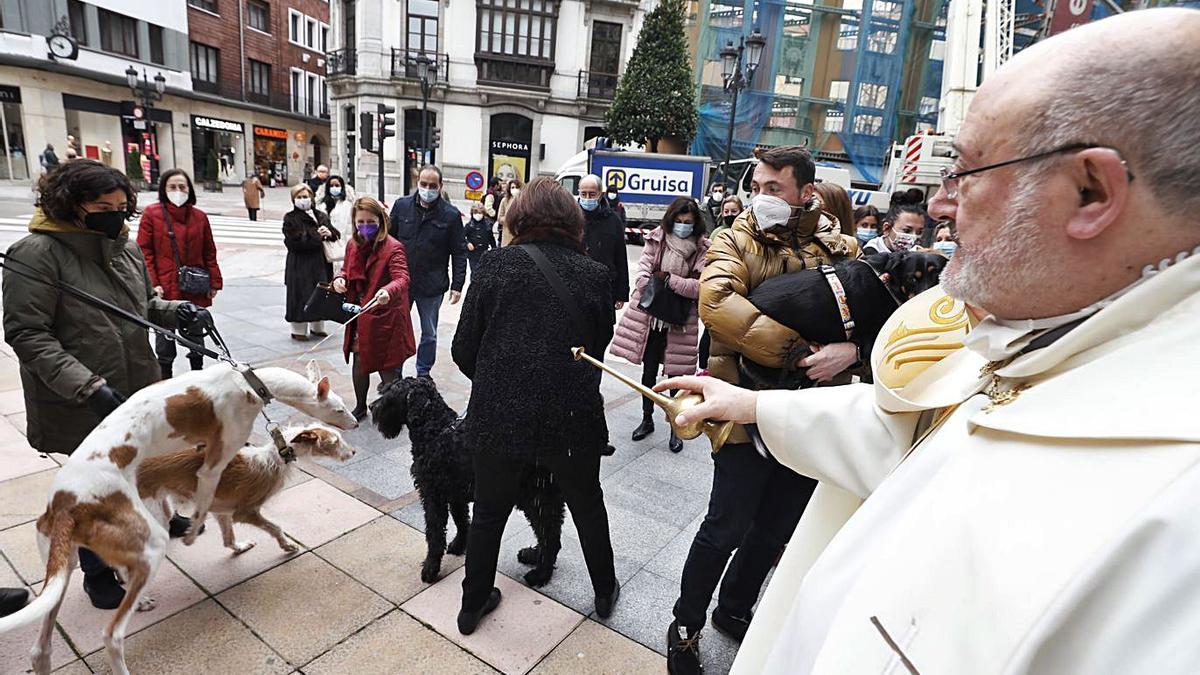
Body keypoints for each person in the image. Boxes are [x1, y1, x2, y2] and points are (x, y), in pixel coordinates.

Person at [655, 9, 1200, 673]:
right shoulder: (1050, 330)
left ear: (1090, 192)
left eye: (967, 171)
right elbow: (920, 435)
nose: (941, 206)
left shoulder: (1176, 513)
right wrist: (751, 404)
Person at [666, 146, 863, 673]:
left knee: (776, 528)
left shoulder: (841, 247)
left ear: (807, 193)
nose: (762, 197)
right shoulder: (735, 238)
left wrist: (854, 351)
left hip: (810, 418)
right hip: (741, 409)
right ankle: (685, 624)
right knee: (725, 527)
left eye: (775, 188)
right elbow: (719, 304)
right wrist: (800, 353)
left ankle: (734, 609)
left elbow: (868, 313)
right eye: (759, 186)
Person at [1, 160, 204, 609]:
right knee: (93, 485)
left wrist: (176, 311)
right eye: (102, 206)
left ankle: (157, 517)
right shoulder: (35, 255)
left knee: (143, 463)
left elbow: (143, 304)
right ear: (72, 206)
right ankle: (95, 572)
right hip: (77, 396)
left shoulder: (123, 248)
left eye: (120, 206)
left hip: (135, 381)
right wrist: (87, 387)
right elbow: (27, 333)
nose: (114, 215)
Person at [451, 176, 619, 635]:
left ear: (517, 217)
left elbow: (464, 349)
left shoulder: (494, 266)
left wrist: (503, 379)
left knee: (488, 512)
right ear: (573, 220)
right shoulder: (595, 274)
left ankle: (472, 604)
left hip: (500, 416)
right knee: (587, 503)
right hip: (571, 414)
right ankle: (604, 590)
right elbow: (598, 343)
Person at [609, 197, 709, 453]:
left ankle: (677, 425)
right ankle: (646, 419)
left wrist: (668, 280)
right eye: (679, 221)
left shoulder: (703, 248)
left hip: (680, 321)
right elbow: (643, 275)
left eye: (688, 222)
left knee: (677, 376)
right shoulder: (657, 239)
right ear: (671, 219)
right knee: (649, 372)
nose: (683, 226)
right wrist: (657, 281)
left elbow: (700, 287)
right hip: (650, 319)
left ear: (695, 223)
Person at [331, 197, 415, 420]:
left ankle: (396, 412)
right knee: (359, 361)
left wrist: (388, 291)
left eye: (370, 221)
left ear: (380, 220)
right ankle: (360, 406)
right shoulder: (352, 244)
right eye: (361, 222)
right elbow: (345, 271)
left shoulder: (393, 247)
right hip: (359, 313)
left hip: (383, 315)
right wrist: (339, 279)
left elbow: (402, 278)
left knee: (387, 368)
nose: (365, 227)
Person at [136, 168, 223, 378]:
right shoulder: (152, 214)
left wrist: (214, 282)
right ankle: (165, 375)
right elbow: (144, 252)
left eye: (182, 187)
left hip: (194, 284)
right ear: (163, 189)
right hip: (164, 286)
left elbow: (209, 250)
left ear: (189, 189)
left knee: (196, 330)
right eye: (172, 187)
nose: (178, 191)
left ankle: (197, 373)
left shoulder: (199, 217)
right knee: (164, 334)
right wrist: (153, 284)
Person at [387, 164, 467, 377]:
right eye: (424, 184)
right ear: (417, 183)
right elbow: (387, 241)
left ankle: (423, 373)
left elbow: (459, 251)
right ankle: (395, 372)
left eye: (433, 185)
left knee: (429, 333)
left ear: (440, 186)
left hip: (432, 285)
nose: (427, 189)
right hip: (402, 282)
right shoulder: (401, 206)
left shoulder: (450, 215)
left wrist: (457, 285)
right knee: (398, 330)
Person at [283, 183, 340, 340]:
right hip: (300, 265)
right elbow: (293, 242)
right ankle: (298, 330)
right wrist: (316, 235)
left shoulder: (321, 215)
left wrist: (329, 233)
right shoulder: (290, 218)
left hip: (320, 263)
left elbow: (335, 233)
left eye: (305, 196)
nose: (303, 200)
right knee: (300, 296)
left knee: (319, 294)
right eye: (299, 197)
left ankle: (317, 326)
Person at [578, 174, 629, 310]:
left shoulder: (613, 220)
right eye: (584, 194)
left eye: (592, 194)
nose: (587, 198)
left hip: (605, 288)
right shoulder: (571, 218)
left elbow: (621, 257)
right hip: (576, 287)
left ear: (600, 194)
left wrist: (621, 293)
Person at [861, 200, 926, 254]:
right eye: (907, 231)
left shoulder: (919, 253)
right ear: (887, 229)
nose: (914, 237)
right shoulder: (870, 252)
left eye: (919, 232)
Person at [317, 174, 357, 241]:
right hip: (327, 240)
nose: (334, 188)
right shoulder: (321, 205)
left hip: (344, 240)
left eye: (337, 185)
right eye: (331, 186)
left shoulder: (348, 204)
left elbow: (350, 225)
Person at [464, 200, 497, 275]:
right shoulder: (469, 225)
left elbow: (491, 239)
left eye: (479, 213)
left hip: (484, 253)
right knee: (474, 273)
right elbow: (462, 236)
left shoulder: (488, 225)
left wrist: (495, 250)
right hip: (473, 253)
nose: (478, 215)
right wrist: (468, 243)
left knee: (483, 273)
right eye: (475, 213)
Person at [496, 178, 522, 246]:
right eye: (512, 187)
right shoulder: (505, 200)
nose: (514, 189)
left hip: (519, 233)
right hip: (507, 233)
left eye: (517, 187)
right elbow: (499, 217)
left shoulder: (524, 201)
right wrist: (508, 219)